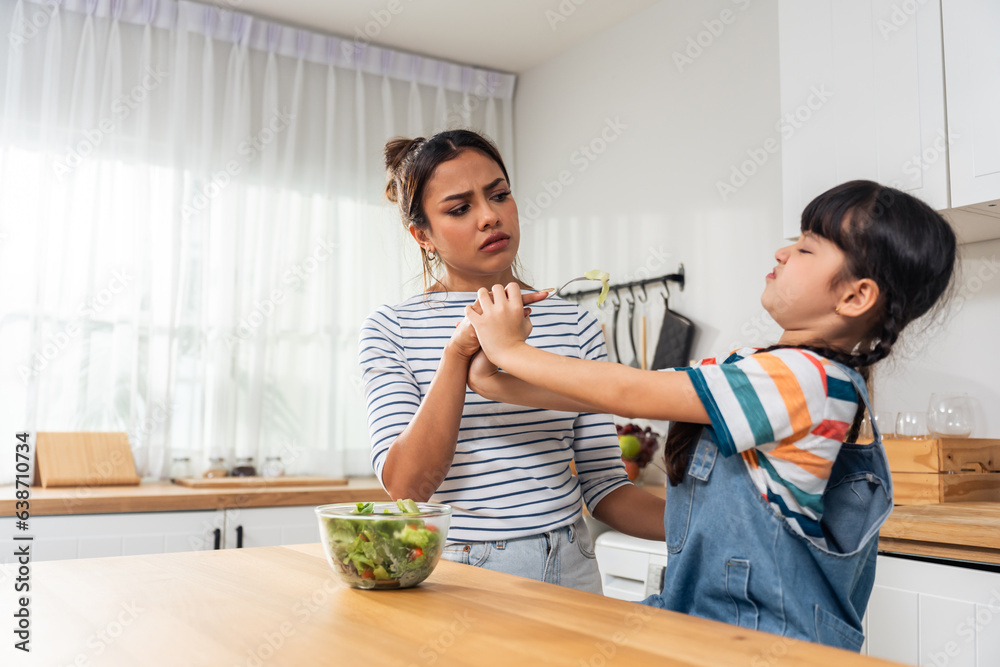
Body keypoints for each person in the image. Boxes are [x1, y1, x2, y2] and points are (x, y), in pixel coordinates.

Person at [463, 180, 956, 650]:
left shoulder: (808, 379)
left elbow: (629, 391)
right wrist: (493, 370)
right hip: (706, 625)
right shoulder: (753, 370)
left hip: (763, 641)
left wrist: (511, 348)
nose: (782, 252)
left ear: (855, 296)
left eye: (806, 248)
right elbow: (591, 395)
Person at [359, 129, 664, 594]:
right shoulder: (391, 328)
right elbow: (406, 487)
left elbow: (605, 486)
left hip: (570, 563)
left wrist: (709, 525)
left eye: (499, 195)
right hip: (457, 571)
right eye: (460, 208)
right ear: (423, 235)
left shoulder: (576, 324)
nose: (489, 217)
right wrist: (458, 352)